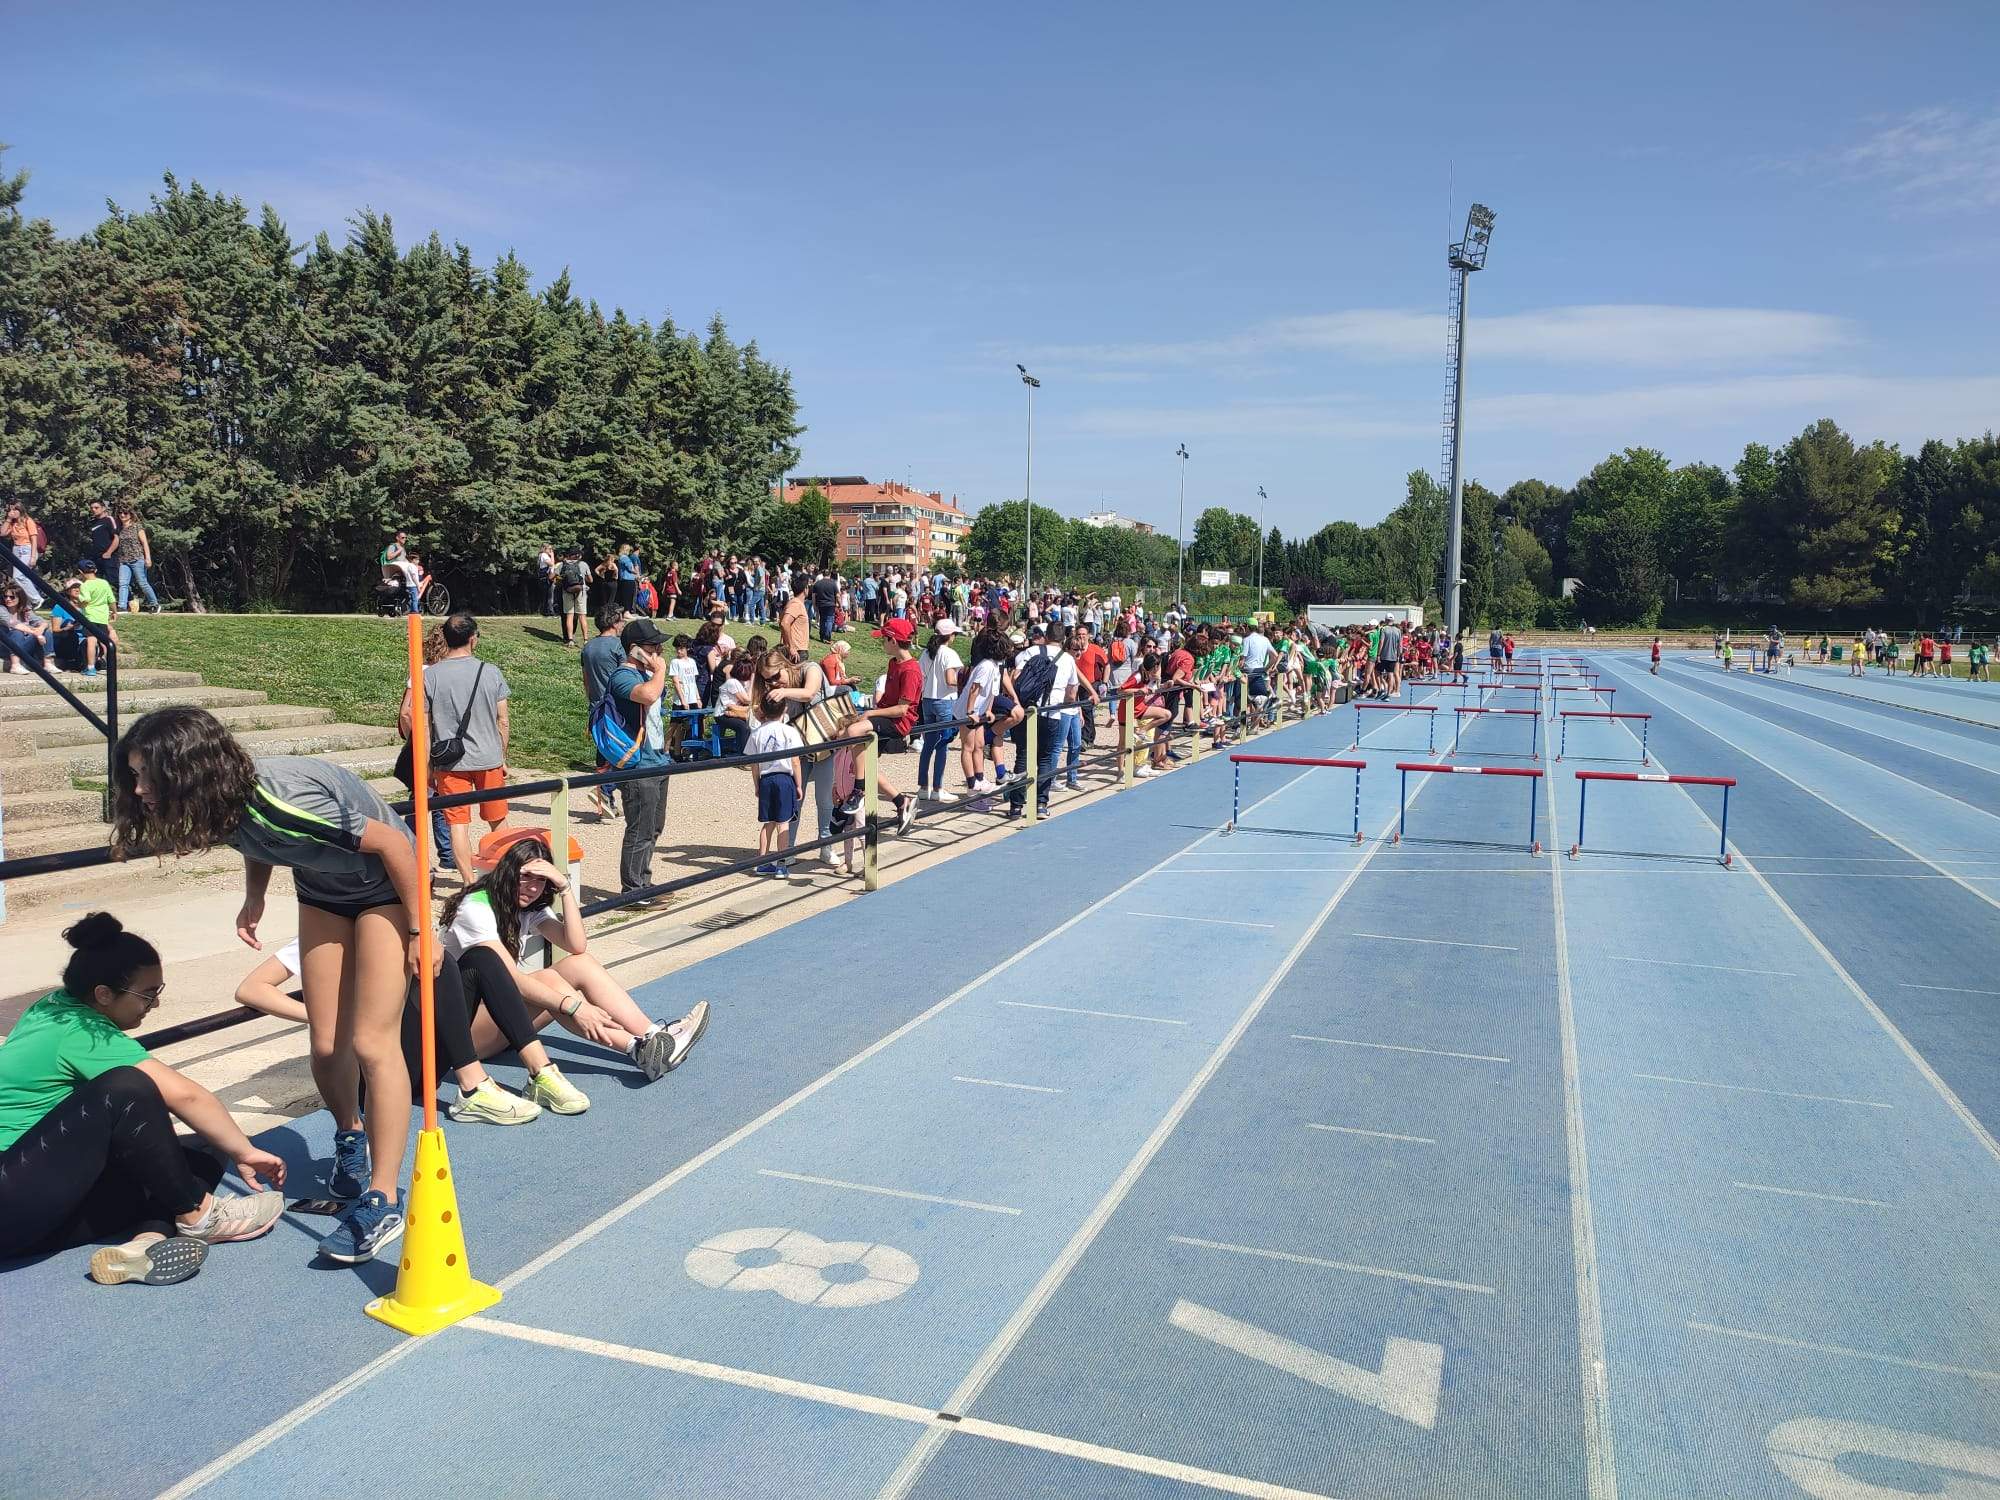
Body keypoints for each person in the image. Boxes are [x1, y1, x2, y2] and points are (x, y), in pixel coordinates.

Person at [113, 708, 422, 1265]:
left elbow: (397, 848)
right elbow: (259, 841)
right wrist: (255, 895)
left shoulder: (285, 799)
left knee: (373, 1043)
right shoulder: (218, 807)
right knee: (327, 1046)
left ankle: (385, 1196)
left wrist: (421, 930)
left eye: (147, 777)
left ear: (188, 770)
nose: (138, 790)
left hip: (386, 890)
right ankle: (351, 1136)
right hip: (324, 892)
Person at [0, 913, 288, 1287]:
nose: (154, 1005)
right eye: (147, 994)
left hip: (33, 1207)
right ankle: (199, 1215)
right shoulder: (82, 1033)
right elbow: (185, 1095)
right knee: (128, 1086)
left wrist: (230, 1145)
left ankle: (146, 1242)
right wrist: (246, 1152)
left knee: (201, 1148)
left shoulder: (53, 1006)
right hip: (11, 1202)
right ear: (103, 994)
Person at [436, 838, 707, 1080]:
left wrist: (565, 888)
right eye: (525, 876)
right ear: (507, 873)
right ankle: (638, 1049)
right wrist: (577, 1007)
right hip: (461, 1035)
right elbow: (513, 981)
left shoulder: (526, 907)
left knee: (579, 964)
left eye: (540, 880)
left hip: (499, 1016)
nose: (531, 888)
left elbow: (576, 945)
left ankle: (655, 1037)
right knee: (549, 980)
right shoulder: (476, 909)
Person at [236, 931, 551, 1124]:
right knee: (440, 969)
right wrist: (323, 1017)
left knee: (479, 959)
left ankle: (542, 1072)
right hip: (368, 1076)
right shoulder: (322, 936)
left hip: (406, 1056)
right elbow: (251, 988)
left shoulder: (396, 927)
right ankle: (471, 1089)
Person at [403, 613, 510, 889]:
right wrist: (503, 755)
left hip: (450, 763)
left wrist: (426, 765)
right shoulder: (490, 672)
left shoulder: (430, 676)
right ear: (473, 639)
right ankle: (504, 878)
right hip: (488, 757)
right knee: (498, 821)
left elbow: (423, 726)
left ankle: (469, 882)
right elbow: (503, 721)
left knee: (457, 824)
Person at [602, 618, 673, 905]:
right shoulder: (623, 676)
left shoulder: (647, 674)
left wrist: (656, 671)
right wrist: (661, 671)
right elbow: (649, 695)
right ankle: (632, 891)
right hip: (637, 765)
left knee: (654, 826)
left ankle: (643, 879)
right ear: (635, 650)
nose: (658, 651)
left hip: (658, 759)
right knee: (640, 828)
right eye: (653, 646)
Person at [860, 618, 920, 832]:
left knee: (854, 732)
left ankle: (857, 790)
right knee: (864, 766)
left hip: (897, 723)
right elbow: (887, 699)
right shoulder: (894, 663)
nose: (881, 644)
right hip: (886, 716)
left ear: (893, 641)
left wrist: (870, 713)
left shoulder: (911, 670)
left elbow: (902, 709)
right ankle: (900, 801)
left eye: (884, 639)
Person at [746, 696, 804, 878]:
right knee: (784, 822)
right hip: (784, 777)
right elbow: (795, 760)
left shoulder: (756, 733)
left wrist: (757, 784)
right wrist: (799, 784)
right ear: (784, 709)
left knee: (768, 822)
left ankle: (761, 861)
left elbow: (753, 764)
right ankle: (781, 863)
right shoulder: (789, 731)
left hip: (766, 779)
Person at [580, 603, 628, 819]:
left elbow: (587, 681)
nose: (623, 623)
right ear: (614, 622)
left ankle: (604, 803)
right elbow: (625, 677)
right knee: (625, 754)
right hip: (616, 706)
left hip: (595, 706)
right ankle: (606, 791)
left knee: (603, 756)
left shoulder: (588, 647)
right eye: (621, 619)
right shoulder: (618, 647)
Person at [916, 619, 963, 803]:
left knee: (928, 744)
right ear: (949, 635)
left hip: (928, 699)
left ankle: (923, 786)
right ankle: (938, 787)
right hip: (945, 700)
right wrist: (964, 684)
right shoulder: (949, 654)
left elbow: (922, 675)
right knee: (943, 744)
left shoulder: (926, 652)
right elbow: (950, 679)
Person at [113, 505, 160, 613]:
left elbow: (144, 543)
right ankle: (122, 606)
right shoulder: (119, 529)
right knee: (123, 583)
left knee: (142, 583)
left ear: (130, 515)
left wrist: (148, 558)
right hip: (124, 561)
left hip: (137, 559)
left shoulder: (137, 527)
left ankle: (154, 604)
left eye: (125, 513)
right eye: (120, 513)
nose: (122, 515)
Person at [76, 557, 118, 676]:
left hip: (90, 617)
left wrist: (79, 603)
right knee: (105, 642)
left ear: (80, 572)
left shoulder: (85, 585)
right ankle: (111, 666)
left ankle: (90, 667)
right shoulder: (104, 583)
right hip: (103, 617)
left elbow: (86, 600)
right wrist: (114, 612)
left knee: (91, 641)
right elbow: (111, 599)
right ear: (95, 570)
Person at [1, 583, 49, 673]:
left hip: (23, 646)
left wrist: (40, 629)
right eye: (5, 596)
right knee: (17, 632)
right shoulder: (1, 610)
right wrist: (35, 633)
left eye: (12, 597)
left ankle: (48, 663)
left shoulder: (25, 612)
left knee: (46, 632)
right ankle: (15, 665)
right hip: (6, 648)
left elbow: (44, 622)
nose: (8, 599)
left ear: (20, 598)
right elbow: (14, 624)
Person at [4, 499, 44, 606]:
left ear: (20, 510)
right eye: (10, 510)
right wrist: (8, 518)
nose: (13, 512)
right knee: (18, 578)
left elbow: (34, 539)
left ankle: (37, 599)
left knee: (19, 576)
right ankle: (27, 602)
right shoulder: (12, 523)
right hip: (16, 549)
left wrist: (33, 556)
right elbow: (2, 533)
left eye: (15, 510)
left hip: (27, 548)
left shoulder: (28, 521)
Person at [557, 546, 591, 646]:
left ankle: (570, 639)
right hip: (581, 591)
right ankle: (585, 640)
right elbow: (590, 580)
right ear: (578, 555)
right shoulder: (583, 564)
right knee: (582, 616)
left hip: (567, 591)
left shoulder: (562, 565)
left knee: (569, 616)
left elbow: (551, 577)